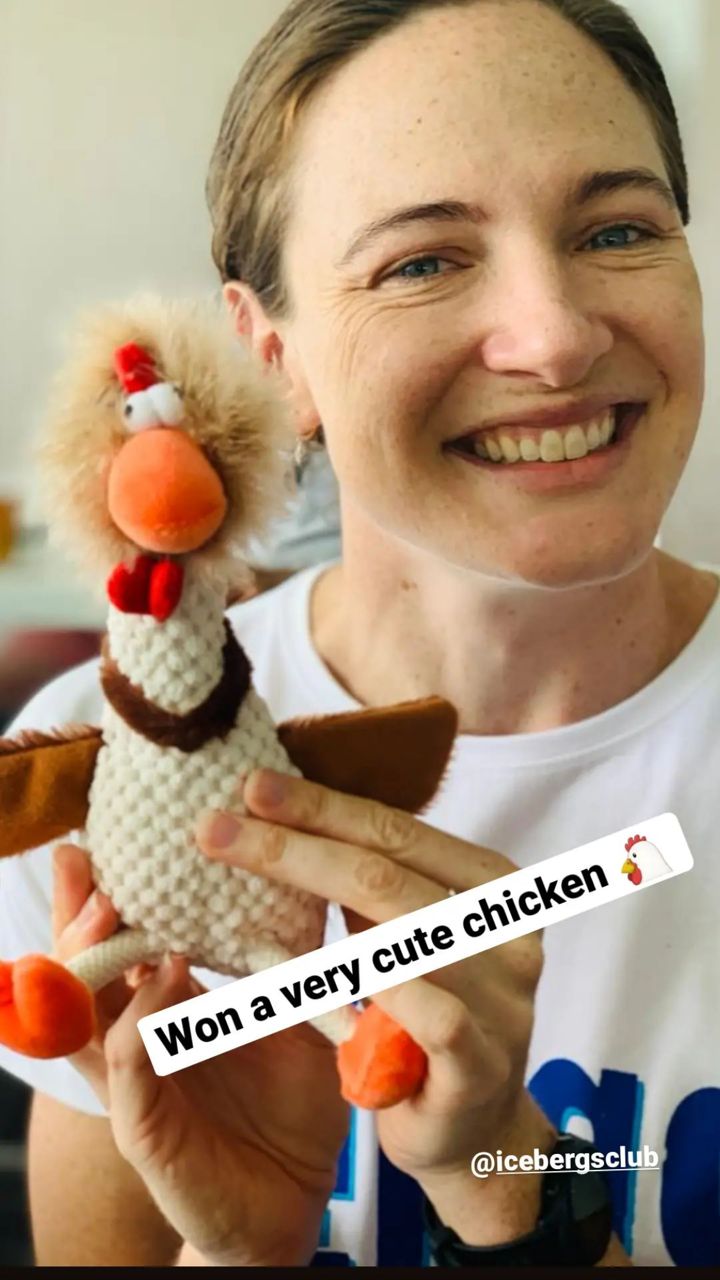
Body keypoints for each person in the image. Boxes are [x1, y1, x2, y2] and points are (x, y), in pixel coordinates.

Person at [1, 0, 718, 1266]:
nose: (556, 338)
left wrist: (503, 1178)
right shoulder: (93, 781)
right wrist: (242, 1249)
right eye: (422, 262)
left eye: (617, 229)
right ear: (271, 355)